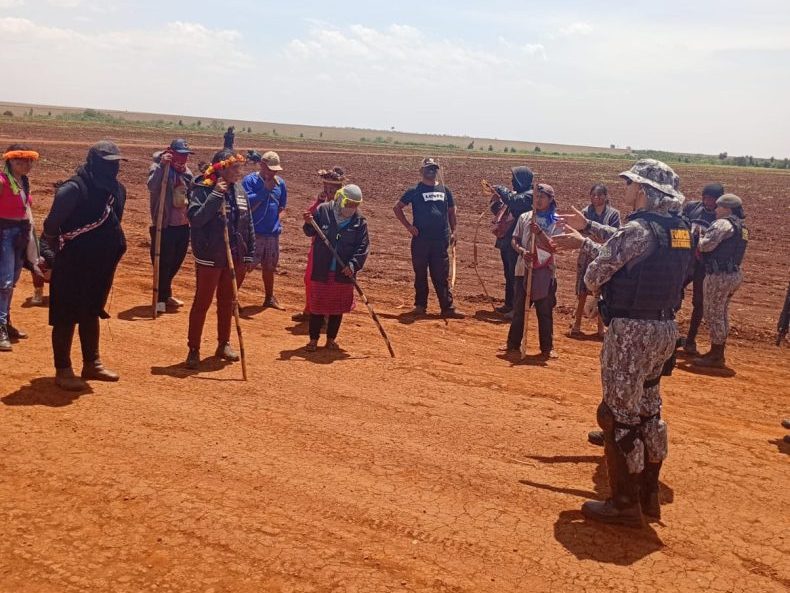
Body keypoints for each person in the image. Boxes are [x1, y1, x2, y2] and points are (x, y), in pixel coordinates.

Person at [554, 159, 692, 526]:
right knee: (650, 408)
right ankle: (649, 494)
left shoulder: (636, 229)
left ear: (645, 191)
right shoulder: (680, 230)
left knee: (619, 414)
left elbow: (596, 274)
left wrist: (585, 245)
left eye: (631, 184)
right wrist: (590, 232)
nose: (626, 189)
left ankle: (624, 503)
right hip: (665, 327)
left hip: (632, 330)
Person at [39, 141, 128, 390]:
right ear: (94, 162)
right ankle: (63, 369)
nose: (114, 167)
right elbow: (50, 228)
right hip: (71, 263)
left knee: (92, 311)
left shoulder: (119, 190)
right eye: (108, 162)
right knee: (66, 315)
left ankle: (92, 363)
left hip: (101, 265)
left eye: (116, 162)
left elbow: (114, 222)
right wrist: (53, 257)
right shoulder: (73, 188)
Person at [185, 149, 255, 369]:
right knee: (202, 303)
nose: (239, 172)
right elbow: (196, 219)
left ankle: (223, 343)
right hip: (210, 255)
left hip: (235, 256)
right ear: (221, 168)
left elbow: (248, 222)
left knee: (227, 302)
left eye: (239, 168)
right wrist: (216, 195)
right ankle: (193, 349)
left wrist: (249, 253)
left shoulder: (240, 190)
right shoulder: (202, 188)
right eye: (235, 168)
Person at [302, 184, 369, 351]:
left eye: (355, 204)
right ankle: (313, 339)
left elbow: (363, 246)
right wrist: (309, 222)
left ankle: (331, 339)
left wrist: (353, 265)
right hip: (322, 269)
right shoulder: (323, 210)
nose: (351, 208)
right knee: (317, 306)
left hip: (342, 272)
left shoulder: (359, 221)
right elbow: (310, 232)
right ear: (340, 199)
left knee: (336, 308)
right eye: (349, 203)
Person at [394, 157, 462, 318]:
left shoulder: (445, 191)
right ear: (421, 171)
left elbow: (452, 212)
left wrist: (454, 231)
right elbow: (397, 208)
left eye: (434, 168)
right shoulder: (414, 191)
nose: (431, 171)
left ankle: (447, 307)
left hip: (441, 240)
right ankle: (420, 305)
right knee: (420, 274)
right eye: (428, 168)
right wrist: (409, 226)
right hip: (421, 240)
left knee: (441, 274)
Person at [692, 193, 748, 368]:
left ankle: (716, 355)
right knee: (722, 312)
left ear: (727, 209)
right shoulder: (742, 227)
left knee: (713, 312)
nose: (715, 210)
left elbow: (705, 245)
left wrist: (696, 237)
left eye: (719, 207)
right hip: (733, 274)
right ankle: (718, 350)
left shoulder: (723, 224)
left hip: (719, 276)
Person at [506, 183, 561, 359]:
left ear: (550, 200)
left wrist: (539, 233)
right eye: (536, 196)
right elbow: (514, 240)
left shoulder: (556, 221)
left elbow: (554, 247)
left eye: (542, 197)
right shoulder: (524, 217)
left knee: (544, 311)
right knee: (519, 309)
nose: (538, 199)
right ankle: (513, 344)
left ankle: (547, 347)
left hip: (546, 271)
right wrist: (522, 252)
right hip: (523, 269)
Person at [292, 167, 347, 323]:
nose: (328, 191)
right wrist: (318, 201)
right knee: (310, 279)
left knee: (328, 282)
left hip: (333, 250)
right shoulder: (321, 204)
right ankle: (310, 310)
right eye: (326, 188)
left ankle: (326, 315)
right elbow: (309, 219)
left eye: (331, 188)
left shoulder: (342, 207)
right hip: (317, 248)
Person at [0, 144, 40, 351]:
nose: (25, 165)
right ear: (9, 162)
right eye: (19, 161)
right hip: (4, 234)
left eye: (28, 161)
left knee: (12, 281)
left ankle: (5, 322)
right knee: (4, 282)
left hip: (20, 233)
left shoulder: (23, 182)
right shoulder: (2, 181)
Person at [148, 138, 194, 313]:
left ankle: (166, 293)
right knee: (162, 263)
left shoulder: (185, 170)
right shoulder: (158, 167)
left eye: (186, 156)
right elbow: (152, 186)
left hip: (183, 223)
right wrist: (162, 166)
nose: (183, 159)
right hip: (164, 224)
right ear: (170, 152)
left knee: (176, 261)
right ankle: (159, 300)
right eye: (180, 155)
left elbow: (191, 186)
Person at [570, 184, 620, 337]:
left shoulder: (613, 214)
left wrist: (593, 236)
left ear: (606, 196)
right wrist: (597, 237)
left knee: (602, 291)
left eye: (599, 195)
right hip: (586, 255)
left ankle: (600, 328)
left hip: (604, 256)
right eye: (593, 195)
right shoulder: (585, 212)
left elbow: (614, 235)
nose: (596, 198)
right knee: (582, 291)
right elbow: (580, 233)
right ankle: (576, 325)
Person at [680, 183, 723, 354]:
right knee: (672, 293)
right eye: (705, 197)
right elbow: (680, 225)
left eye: (712, 199)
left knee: (699, 303)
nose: (708, 201)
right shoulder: (692, 207)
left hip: (704, 267)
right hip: (685, 261)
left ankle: (690, 340)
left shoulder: (721, 217)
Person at [242, 151, 287, 310]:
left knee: (269, 267)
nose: (273, 173)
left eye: (275, 170)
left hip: (272, 234)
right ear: (262, 165)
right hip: (254, 232)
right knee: (245, 265)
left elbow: (282, 207)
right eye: (270, 169)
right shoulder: (250, 181)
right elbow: (245, 202)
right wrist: (265, 190)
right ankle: (232, 298)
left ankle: (269, 297)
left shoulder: (280, 184)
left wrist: (277, 221)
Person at [488, 166, 534, 317]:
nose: (512, 182)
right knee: (509, 274)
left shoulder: (529, 196)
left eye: (514, 179)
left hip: (519, 243)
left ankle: (517, 308)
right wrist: (495, 201)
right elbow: (502, 211)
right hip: (507, 241)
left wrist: (501, 189)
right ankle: (509, 304)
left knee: (517, 276)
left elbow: (514, 202)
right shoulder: (517, 195)